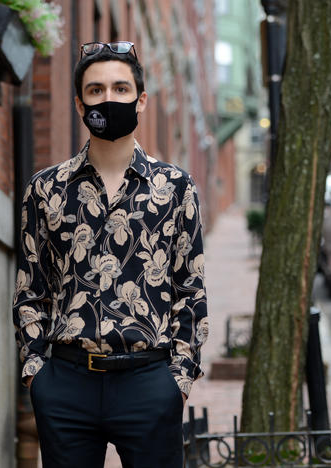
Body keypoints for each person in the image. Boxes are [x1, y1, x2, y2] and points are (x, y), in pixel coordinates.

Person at [12, 41, 208, 468]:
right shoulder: (45, 189)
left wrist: (179, 378)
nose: (108, 98)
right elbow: (31, 290)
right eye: (96, 90)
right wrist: (35, 372)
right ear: (80, 104)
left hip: (149, 381)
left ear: (140, 100)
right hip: (66, 384)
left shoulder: (176, 188)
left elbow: (190, 289)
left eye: (120, 88)